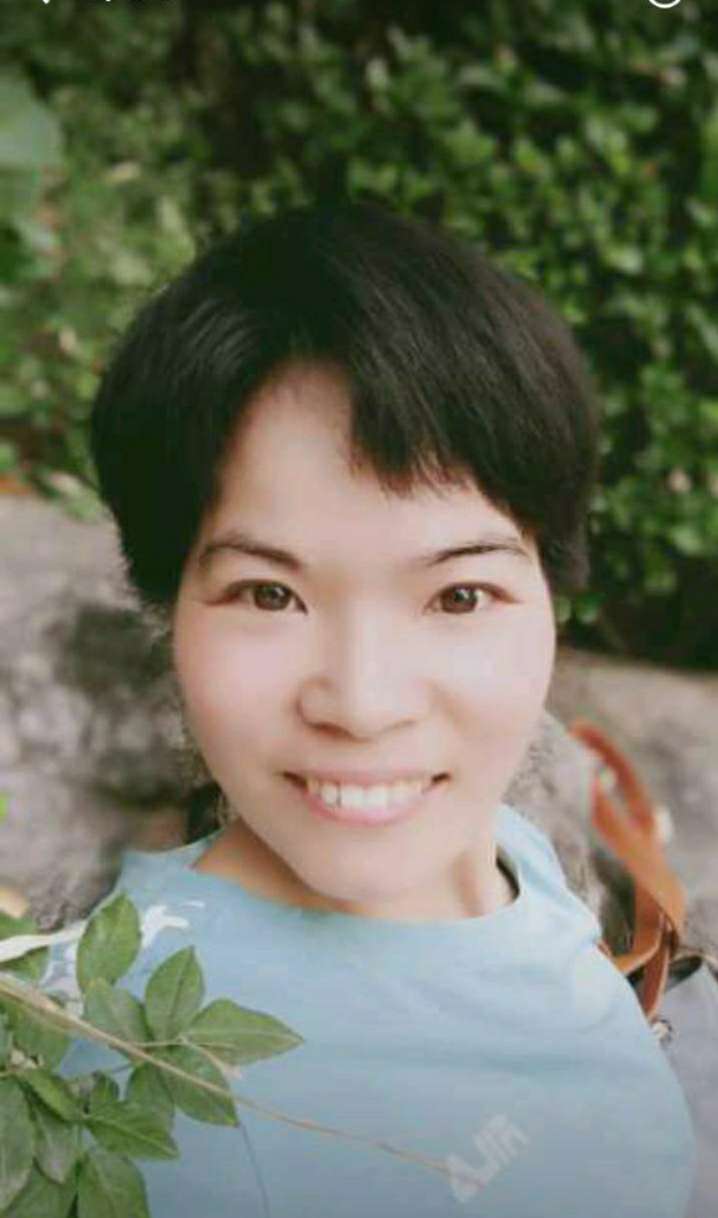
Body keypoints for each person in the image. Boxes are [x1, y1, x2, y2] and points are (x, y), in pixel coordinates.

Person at [44, 198, 696, 1216]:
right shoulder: (98, 1081)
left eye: (458, 596)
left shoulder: (514, 857)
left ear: (550, 594)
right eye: (271, 594)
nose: (361, 703)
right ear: (169, 607)